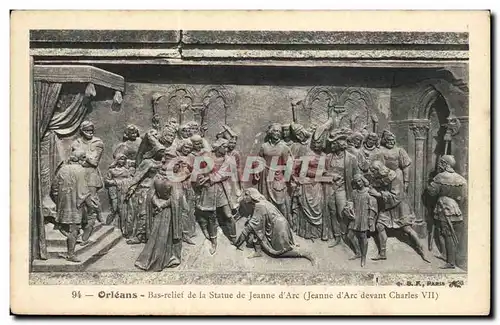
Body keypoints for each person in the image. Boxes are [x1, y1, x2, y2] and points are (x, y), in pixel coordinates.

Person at [368, 161, 430, 263]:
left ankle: (422, 249)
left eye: (373, 170)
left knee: (407, 229)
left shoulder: (394, 178)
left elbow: (396, 196)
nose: (372, 173)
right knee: (380, 226)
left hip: (400, 206)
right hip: (388, 206)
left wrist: (378, 194)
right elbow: (377, 186)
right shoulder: (379, 177)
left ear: (379, 169)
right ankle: (382, 253)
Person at [233, 188, 315, 265]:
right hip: (280, 224)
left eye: (247, 195)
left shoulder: (259, 206)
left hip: (279, 228)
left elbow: (249, 228)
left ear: (253, 196)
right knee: (256, 229)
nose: (245, 197)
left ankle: (303, 253)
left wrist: (237, 243)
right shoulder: (261, 202)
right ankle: (258, 252)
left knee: (279, 252)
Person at [134, 157, 185, 271]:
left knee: (156, 234)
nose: (179, 167)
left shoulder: (157, 177)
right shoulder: (174, 180)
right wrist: (162, 205)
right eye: (177, 165)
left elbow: (151, 194)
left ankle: (149, 258)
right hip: (169, 211)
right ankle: (169, 257)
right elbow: (176, 198)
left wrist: (157, 203)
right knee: (167, 234)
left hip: (158, 210)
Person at [193, 138, 239, 255]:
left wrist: (209, 177)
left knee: (228, 214)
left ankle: (234, 238)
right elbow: (198, 169)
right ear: (218, 147)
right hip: (208, 190)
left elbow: (224, 174)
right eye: (224, 146)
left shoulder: (228, 159)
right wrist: (201, 178)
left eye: (227, 146)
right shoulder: (207, 156)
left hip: (221, 189)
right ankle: (214, 242)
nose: (227, 148)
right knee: (211, 217)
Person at [50, 149, 97, 262]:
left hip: (63, 205)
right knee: (75, 228)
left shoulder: (62, 169)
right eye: (84, 158)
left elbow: (54, 189)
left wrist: (59, 202)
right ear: (81, 159)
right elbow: (84, 192)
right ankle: (71, 254)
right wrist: (91, 205)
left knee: (65, 226)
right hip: (76, 205)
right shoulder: (81, 170)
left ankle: (73, 241)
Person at [323, 128, 361, 256]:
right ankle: (337, 236)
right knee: (332, 213)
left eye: (334, 142)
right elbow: (322, 172)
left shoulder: (351, 158)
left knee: (342, 214)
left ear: (341, 143)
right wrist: (331, 175)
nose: (332, 145)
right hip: (329, 189)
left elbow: (357, 174)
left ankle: (346, 236)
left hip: (343, 190)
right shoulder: (328, 157)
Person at [427, 155, 467, 269]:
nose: (439, 165)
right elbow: (463, 197)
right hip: (455, 208)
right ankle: (445, 255)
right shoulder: (460, 179)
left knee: (447, 234)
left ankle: (451, 262)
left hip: (444, 208)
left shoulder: (440, 177)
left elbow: (432, 193)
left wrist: (432, 182)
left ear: (445, 164)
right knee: (444, 232)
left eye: (441, 163)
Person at [125, 137, 166, 245]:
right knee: (143, 213)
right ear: (155, 151)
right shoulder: (147, 162)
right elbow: (138, 176)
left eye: (163, 151)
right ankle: (139, 235)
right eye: (160, 151)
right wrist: (132, 187)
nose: (162, 154)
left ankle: (153, 235)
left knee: (155, 212)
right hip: (146, 189)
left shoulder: (163, 162)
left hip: (158, 189)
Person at [70, 120, 104, 245]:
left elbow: (94, 162)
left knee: (92, 200)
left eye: (91, 130)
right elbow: (77, 159)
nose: (90, 133)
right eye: (87, 130)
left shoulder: (98, 142)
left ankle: (93, 221)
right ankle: (82, 225)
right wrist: (87, 156)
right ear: (82, 131)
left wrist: (83, 156)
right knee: (79, 200)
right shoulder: (76, 142)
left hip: (91, 175)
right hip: (79, 174)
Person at [290, 130, 326, 239]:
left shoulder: (324, 156)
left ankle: (315, 233)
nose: (316, 145)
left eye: (319, 143)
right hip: (305, 185)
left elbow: (321, 173)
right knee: (304, 206)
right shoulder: (307, 154)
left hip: (316, 186)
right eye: (315, 143)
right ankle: (305, 232)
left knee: (317, 207)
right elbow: (299, 168)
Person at [253, 123, 292, 218]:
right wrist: (257, 170)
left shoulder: (284, 147)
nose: (277, 133)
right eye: (275, 131)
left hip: (277, 176)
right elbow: (259, 159)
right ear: (270, 132)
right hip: (265, 176)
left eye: (279, 131)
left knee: (280, 201)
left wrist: (286, 178)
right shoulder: (264, 146)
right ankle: (269, 222)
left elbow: (288, 164)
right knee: (266, 201)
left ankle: (284, 222)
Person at [343, 174, 378, 267]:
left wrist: (370, 219)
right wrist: (349, 207)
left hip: (364, 217)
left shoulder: (368, 193)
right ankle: (358, 252)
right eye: (356, 182)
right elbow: (350, 201)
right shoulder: (354, 192)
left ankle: (363, 257)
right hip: (355, 216)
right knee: (350, 235)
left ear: (363, 180)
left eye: (359, 181)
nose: (358, 183)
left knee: (363, 237)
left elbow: (373, 207)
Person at [104, 154, 135, 237]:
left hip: (125, 191)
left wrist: (126, 183)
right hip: (115, 191)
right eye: (121, 159)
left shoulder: (127, 170)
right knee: (115, 208)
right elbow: (107, 180)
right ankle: (109, 223)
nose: (122, 161)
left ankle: (125, 229)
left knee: (125, 210)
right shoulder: (112, 170)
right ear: (117, 160)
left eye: (124, 159)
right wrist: (116, 182)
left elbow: (132, 179)